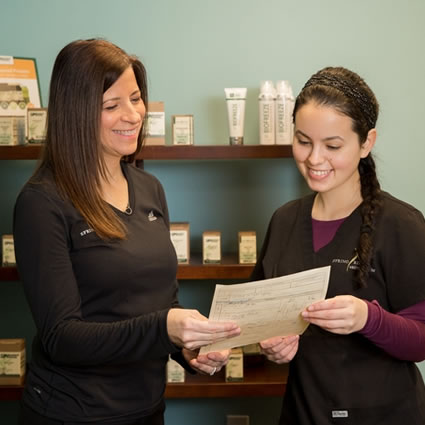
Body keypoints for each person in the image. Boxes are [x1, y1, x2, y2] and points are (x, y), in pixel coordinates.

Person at [13, 39, 240, 425]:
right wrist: (165, 329)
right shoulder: (43, 202)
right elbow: (62, 337)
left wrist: (187, 347)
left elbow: (161, 301)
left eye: (136, 98)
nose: (134, 115)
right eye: (112, 105)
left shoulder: (150, 188)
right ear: (76, 114)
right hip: (73, 413)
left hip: (146, 408)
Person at [252, 66, 425, 424]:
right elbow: (261, 320)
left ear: (367, 143)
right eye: (303, 141)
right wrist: (273, 345)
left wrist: (368, 318)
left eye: (332, 146)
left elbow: (421, 341)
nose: (315, 159)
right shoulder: (284, 221)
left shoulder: (402, 225)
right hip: (304, 412)